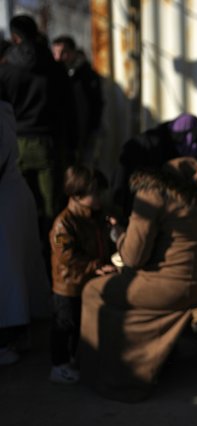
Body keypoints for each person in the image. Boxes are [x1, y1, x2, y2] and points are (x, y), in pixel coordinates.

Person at [78, 156, 197, 402]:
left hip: (165, 289)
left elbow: (134, 256)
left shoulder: (153, 193)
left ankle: (108, 376)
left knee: (94, 290)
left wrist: (119, 236)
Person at [0, 15, 75, 231]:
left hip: (15, 144)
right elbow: (69, 112)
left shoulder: (6, 70)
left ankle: (25, 256)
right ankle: (53, 254)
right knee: (52, 208)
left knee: (19, 206)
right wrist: (72, 146)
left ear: (15, 38)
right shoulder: (55, 69)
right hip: (49, 143)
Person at [48, 165, 114, 384]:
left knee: (81, 325)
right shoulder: (64, 223)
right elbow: (68, 256)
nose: (99, 199)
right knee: (65, 324)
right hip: (68, 285)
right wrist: (95, 266)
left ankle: (76, 360)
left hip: (86, 282)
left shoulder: (95, 217)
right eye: (94, 194)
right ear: (76, 195)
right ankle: (59, 365)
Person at [0, 100, 50, 365]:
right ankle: (20, 333)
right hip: (14, 198)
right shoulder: (5, 109)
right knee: (19, 270)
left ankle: (9, 339)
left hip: (6, 205)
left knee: (9, 275)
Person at [51, 35, 104, 165]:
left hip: (85, 135)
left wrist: (93, 130)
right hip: (64, 137)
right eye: (55, 53)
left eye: (63, 53)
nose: (58, 57)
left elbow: (95, 105)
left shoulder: (87, 76)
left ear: (73, 52)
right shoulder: (53, 75)